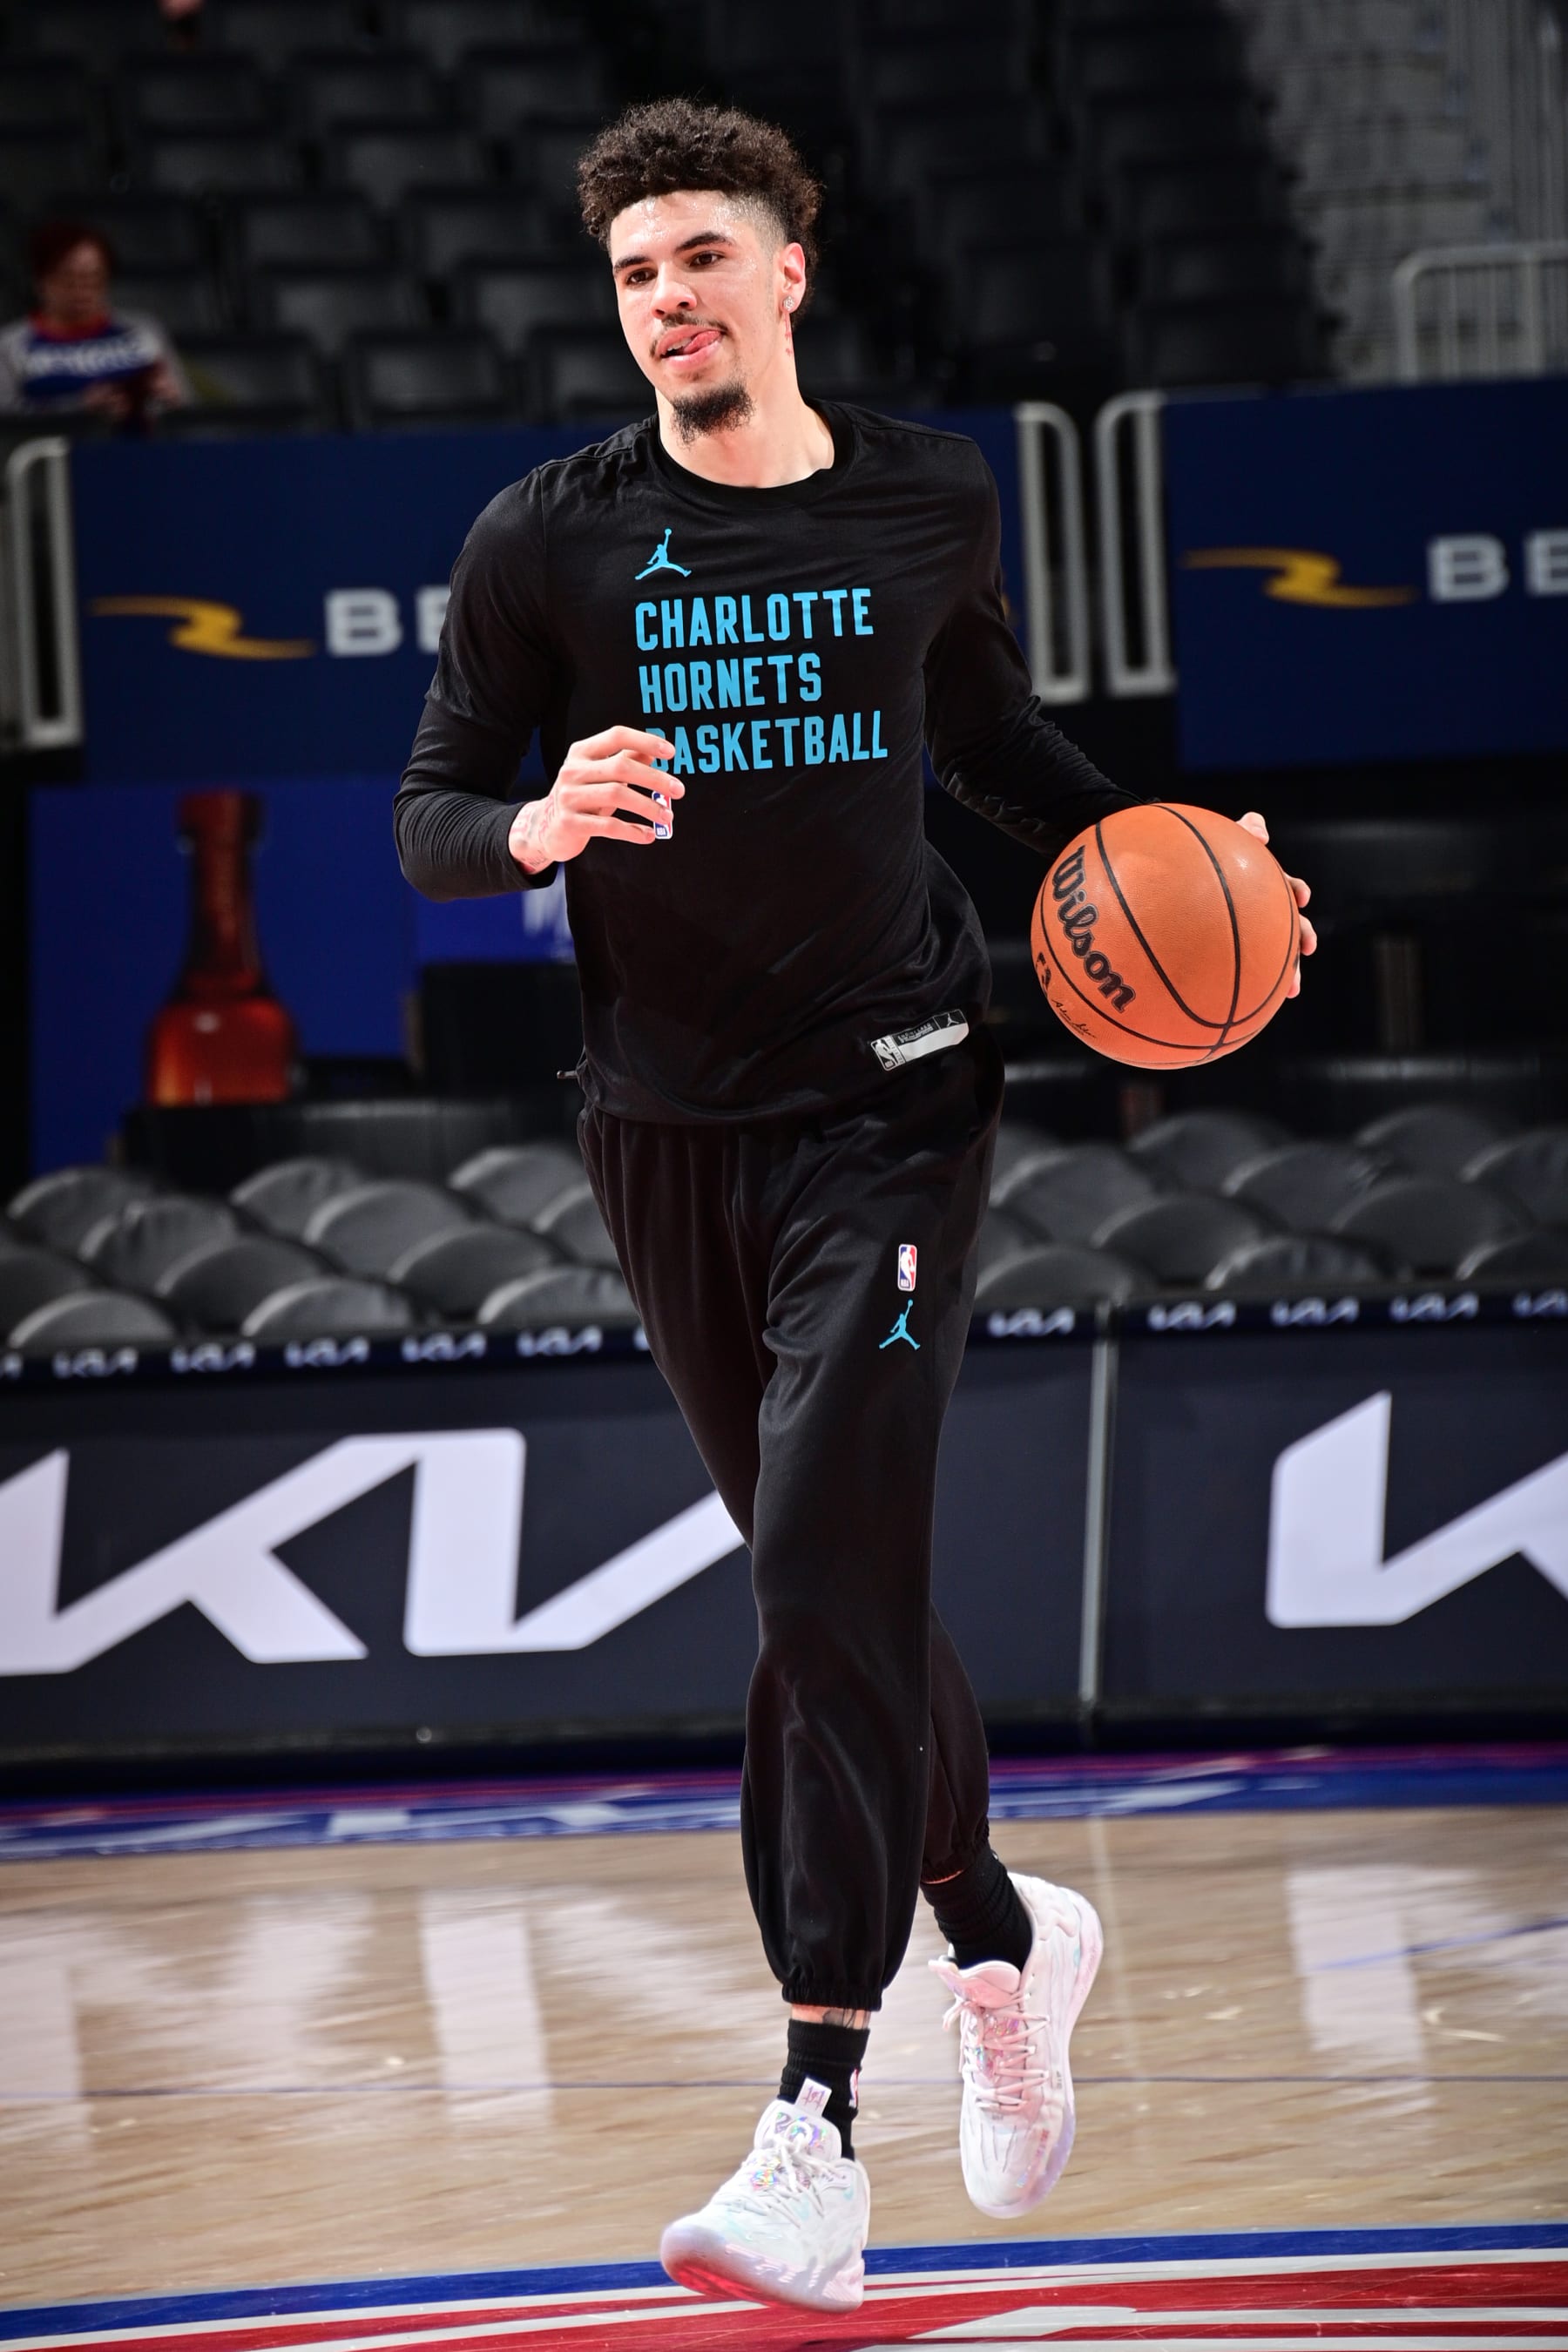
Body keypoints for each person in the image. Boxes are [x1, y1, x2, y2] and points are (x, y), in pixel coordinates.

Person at [395, 98, 1315, 2315]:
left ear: (790, 270)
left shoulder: (921, 496)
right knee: (838, 1590)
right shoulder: (546, 542)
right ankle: (1001, 1930)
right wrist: (534, 824)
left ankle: (815, 2112)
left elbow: (993, 744)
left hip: (896, 1108)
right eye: (635, 273)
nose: (670, 299)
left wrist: (1202, 862)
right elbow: (430, 809)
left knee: (818, 1555)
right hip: (662, 1129)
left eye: (704, 255)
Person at [0, 220, 191, 425]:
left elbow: (190, 406)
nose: (83, 290)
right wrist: (79, 407)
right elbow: (7, 420)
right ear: (41, 280)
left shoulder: (143, 331)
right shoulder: (12, 344)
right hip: (54, 452)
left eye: (94, 278)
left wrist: (168, 400)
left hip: (141, 447)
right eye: (69, 279)